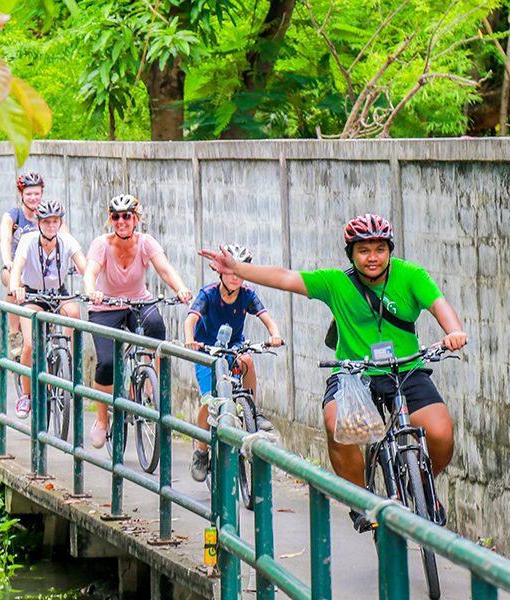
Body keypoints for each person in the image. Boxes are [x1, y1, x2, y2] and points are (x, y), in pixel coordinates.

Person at [200, 213, 467, 532]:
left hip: (404, 369)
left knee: (441, 432)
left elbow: (439, 305)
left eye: (379, 249)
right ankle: (361, 501)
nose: (372, 257)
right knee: (334, 423)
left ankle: (422, 488)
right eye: (364, 250)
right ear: (351, 254)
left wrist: (454, 331)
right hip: (354, 374)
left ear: (389, 250)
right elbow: (286, 277)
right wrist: (238, 269)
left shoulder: (411, 275)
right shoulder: (336, 282)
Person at [82, 193, 194, 449]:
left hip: (137, 303)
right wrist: (92, 290)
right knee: (107, 363)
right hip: (105, 307)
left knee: (156, 326)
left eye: (127, 216)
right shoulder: (102, 244)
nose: (121, 221)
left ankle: (146, 379)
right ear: (110, 219)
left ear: (136, 219)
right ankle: (101, 420)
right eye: (116, 217)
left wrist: (181, 289)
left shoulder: (146, 242)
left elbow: (164, 268)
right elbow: (91, 271)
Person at [183, 244, 284, 483]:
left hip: (234, 347)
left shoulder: (247, 294)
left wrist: (275, 335)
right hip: (207, 351)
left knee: (247, 359)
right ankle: (200, 450)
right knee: (211, 402)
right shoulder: (208, 294)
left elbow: (267, 318)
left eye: (240, 272)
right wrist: (190, 340)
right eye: (230, 272)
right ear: (220, 271)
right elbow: (191, 320)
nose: (235, 278)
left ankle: (252, 410)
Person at [7, 200, 87, 419]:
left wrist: (92, 288)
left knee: (74, 313)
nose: (52, 226)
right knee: (31, 345)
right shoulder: (28, 240)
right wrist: (16, 287)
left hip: (57, 292)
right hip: (32, 295)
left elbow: (85, 267)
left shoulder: (67, 241)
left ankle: (66, 359)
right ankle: (26, 395)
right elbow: (17, 268)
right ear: (38, 223)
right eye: (47, 222)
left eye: (55, 222)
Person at [0, 173, 43, 355]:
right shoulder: (14, 215)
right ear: (21, 194)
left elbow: (64, 236)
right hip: (15, 267)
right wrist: (7, 260)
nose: (33, 198)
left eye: (36, 194)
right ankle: (14, 331)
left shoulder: (47, 214)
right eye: (29, 194)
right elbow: (5, 238)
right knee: (12, 283)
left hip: (40, 271)